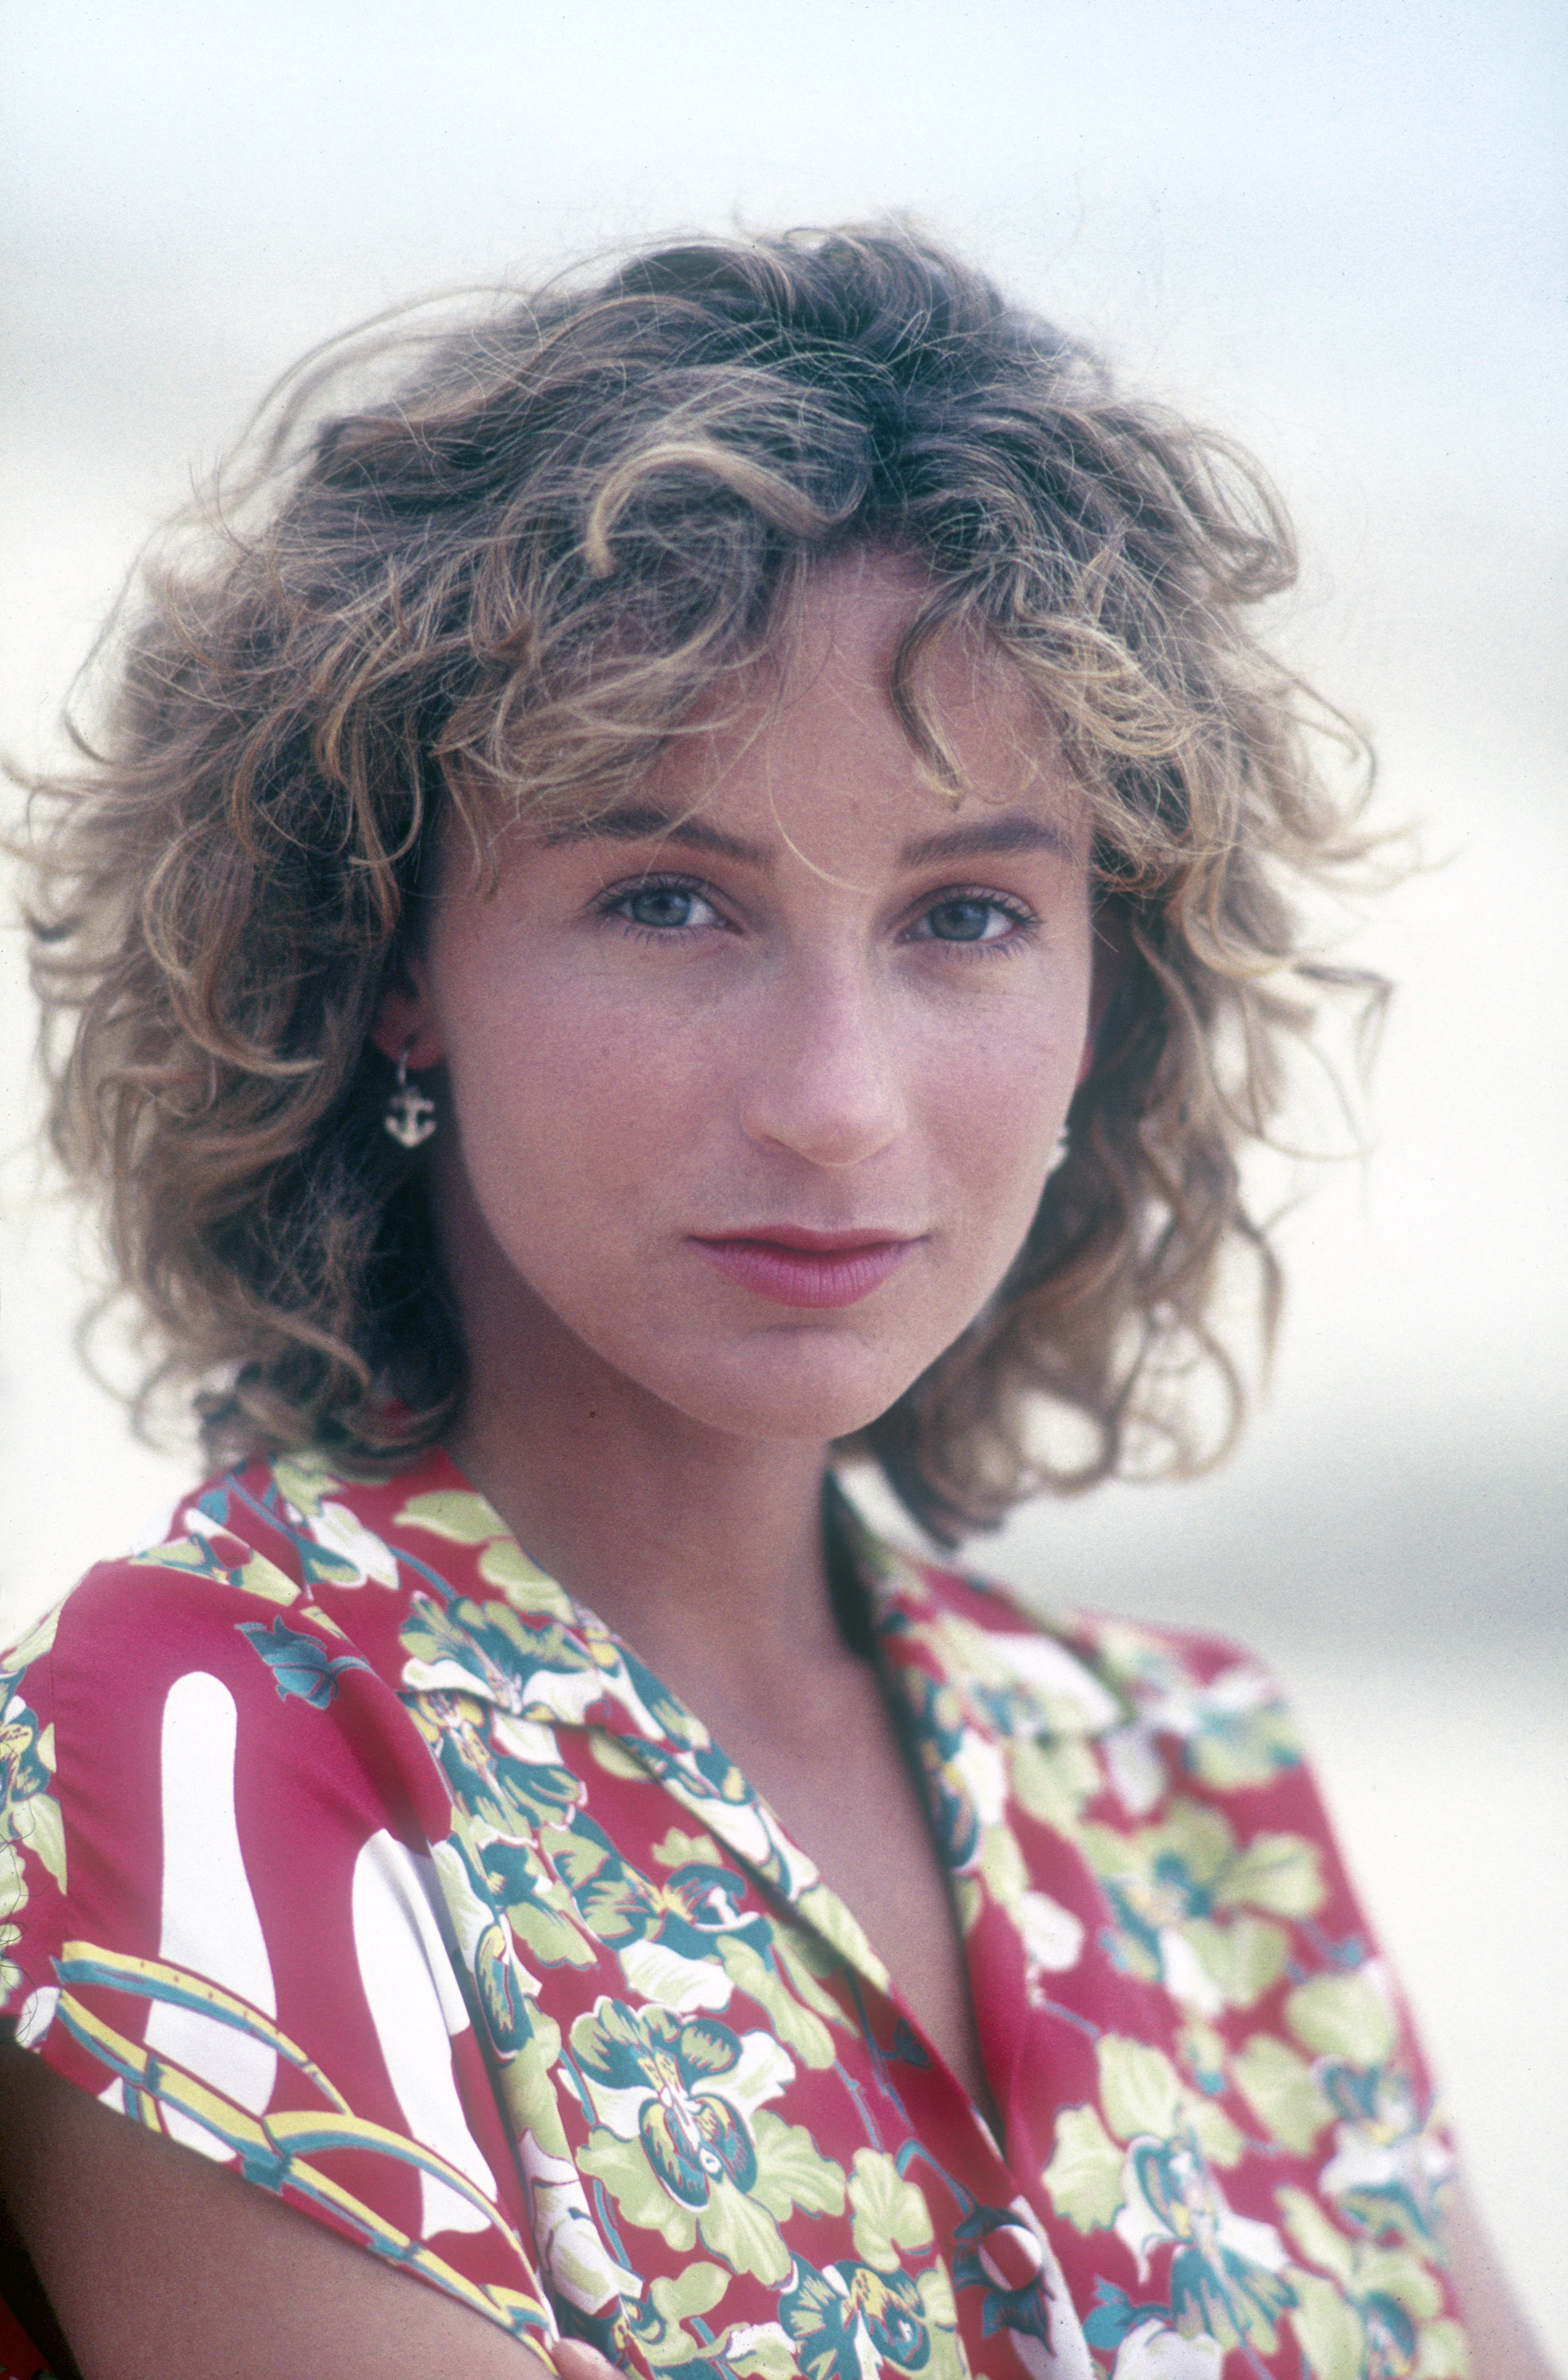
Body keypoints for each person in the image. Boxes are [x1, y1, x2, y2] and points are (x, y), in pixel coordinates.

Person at [0, 227, 1547, 2380]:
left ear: (1118, 987)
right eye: (666, 897)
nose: (837, 1103)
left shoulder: (1197, 1786)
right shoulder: (206, 1737)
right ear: (395, 969)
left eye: (969, 915)